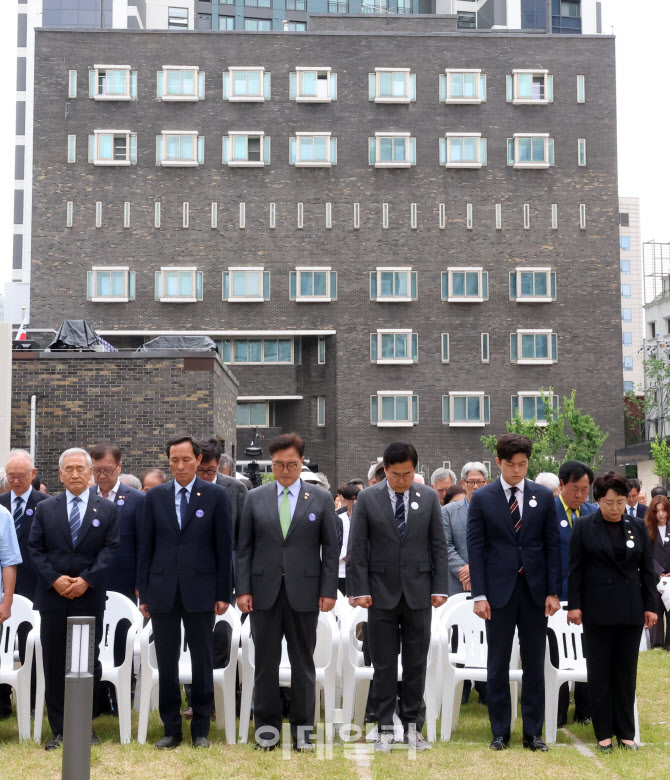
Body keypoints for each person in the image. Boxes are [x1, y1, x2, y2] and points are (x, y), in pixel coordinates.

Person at [236, 433, 339, 751]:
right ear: (271, 464)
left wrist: (328, 590)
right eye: (278, 464)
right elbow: (244, 549)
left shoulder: (320, 498)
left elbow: (331, 550)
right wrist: (243, 590)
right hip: (263, 591)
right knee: (264, 664)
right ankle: (266, 732)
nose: (284, 470)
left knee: (303, 663)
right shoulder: (255, 497)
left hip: (305, 592)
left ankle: (303, 733)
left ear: (301, 463)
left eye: (291, 464)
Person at [347, 441, 449, 752]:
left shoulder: (429, 497)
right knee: (383, 663)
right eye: (395, 474)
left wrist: (440, 587)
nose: (401, 480)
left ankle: (413, 727)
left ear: (415, 470)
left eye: (407, 474)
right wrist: (358, 590)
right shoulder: (367, 498)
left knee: (416, 662)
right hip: (379, 594)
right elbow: (357, 548)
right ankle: (385, 727)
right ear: (384, 471)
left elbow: (438, 546)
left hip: (419, 593)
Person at [138, 434, 233, 749]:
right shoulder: (155, 497)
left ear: (198, 461)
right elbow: (146, 547)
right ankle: (171, 728)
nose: (180, 466)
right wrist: (145, 594)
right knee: (166, 661)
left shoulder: (216, 495)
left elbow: (224, 548)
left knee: (202, 661)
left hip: (201, 590)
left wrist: (223, 593)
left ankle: (201, 729)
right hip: (163, 589)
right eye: (174, 461)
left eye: (186, 460)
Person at [467, 434, 561, 752]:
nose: (517, 470)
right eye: (511, 465)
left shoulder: (543, 497)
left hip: (535, 592)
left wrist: (553, 591)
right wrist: (479, 594)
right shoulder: (483, 498)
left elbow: (552, 546)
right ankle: (500, 731)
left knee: (534, 662)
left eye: (523, 464)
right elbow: (476, 549)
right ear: (498, 463)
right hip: (497, 593)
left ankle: (533, 732)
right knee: (498, 663)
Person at [28, 448, 119, 750]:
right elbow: (35, 549)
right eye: (69, 468)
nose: (76, 473)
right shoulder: (46, 508)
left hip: (88, 598)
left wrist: (87, 580)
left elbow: (110, 549)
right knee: (55, 663)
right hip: (53, 599)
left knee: (86, 663)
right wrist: (54, 579)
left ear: (91, 472)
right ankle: (59, 729)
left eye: (81, 468)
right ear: (60, 474)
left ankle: (84, 725)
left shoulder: (106, 509)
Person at [567, 471, 658, 752]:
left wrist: (650, 605)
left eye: (621, 501)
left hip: (630, 608)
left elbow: (647, 569)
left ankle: (626, 732)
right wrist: (575, 605)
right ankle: (603, 733)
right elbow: (575, 570)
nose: (616, 508)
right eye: (609, 502)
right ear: (598, 500)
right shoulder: (584, 526)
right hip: (597, 609)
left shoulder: (636, 526)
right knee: (600, 673)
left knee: (625, 673)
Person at [89, 443, 145, 716]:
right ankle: (96, 698)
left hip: (123, 579)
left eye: (107, 470)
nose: (101, 476)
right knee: (93, 639)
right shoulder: (84, 497)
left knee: (122, 638)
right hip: (89, 581)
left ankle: (120, 694)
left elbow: (144, 544)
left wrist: (139, 581)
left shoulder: (135, 499)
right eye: (96, 470)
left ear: (119, 468)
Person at [0, 449, 49, 718]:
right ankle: (2, 702)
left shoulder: (47, 503)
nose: (15, 481)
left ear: (33, 474)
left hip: (33, 583)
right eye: (11, 476)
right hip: (3, 586)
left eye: (21, 475)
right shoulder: (1, 502)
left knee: (29, 643)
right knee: (2, 647)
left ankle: (30, 701)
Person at [552, 460, 597, 728]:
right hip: (558, 597)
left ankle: (585, 709)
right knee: (557, 655)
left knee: (587, 652)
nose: (580, 495)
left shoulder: (593, 513)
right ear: (561, 485)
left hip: (589, 597)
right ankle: (557, 711)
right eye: (574, 489)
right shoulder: (548, 512)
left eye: (585, 489)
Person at [442, 461, 489, 706]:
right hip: (457, 583)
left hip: (487, 584)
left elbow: (497, 546)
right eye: (471, 482)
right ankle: (458, 690)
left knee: (485, 636)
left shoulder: (496, 509)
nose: (476, 486)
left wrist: (478, 571)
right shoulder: (449, 512)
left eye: (480, 481)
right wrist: (465, 569)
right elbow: (445, 545)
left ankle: (485, 689)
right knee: (457, 636)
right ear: (463, 483)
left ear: (487, 483)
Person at [196, 438, 248, 549]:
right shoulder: (185, 487)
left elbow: (244, 536)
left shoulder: (237, 489)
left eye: (210, 470)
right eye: (200, 470)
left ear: (218, 463)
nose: (205, 476)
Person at [645, 495, 670, 650]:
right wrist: (659, 572)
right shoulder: (646, 528)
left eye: (663, 510)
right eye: (657, 511)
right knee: (655, 608)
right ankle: (656, 643)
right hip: (654, 577)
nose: (660, 514)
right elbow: (645, 554)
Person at [336, 484, 359, 595]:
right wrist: (346, 556)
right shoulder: (338, 518)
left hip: (360, 568)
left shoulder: (366, 518)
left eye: (357, 499)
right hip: (342, 570)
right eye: (351, 499)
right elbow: (335, 540)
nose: (354, 502)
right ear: (344, 500)